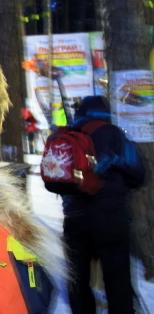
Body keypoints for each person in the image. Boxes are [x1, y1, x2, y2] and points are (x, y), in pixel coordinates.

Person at [61, 95, 145, 314]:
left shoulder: (67, 136)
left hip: (74, 217)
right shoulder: (114, 134)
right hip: (110, 215)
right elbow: (138, 173)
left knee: (78, 278)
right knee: (117, 277)